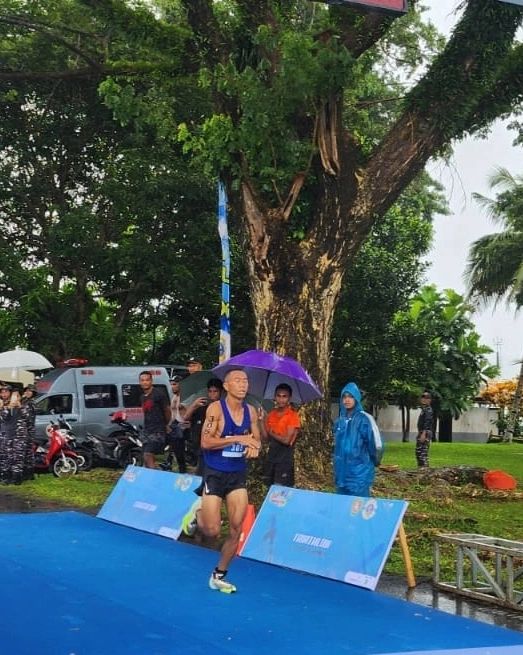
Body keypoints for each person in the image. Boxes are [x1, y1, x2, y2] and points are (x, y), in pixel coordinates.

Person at [181, 368, 261, 594]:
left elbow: (256, 439)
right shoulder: (216, 409)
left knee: (236, 528)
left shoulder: (251, 412)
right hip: (214, 473)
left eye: (245, 381)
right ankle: (197, 513)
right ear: (226, 386)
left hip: (237, 475)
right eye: (237, 380)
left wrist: (255, 447)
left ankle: (219, 574)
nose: (243, 384)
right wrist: (238, 438)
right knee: (212, 530)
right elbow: (206, 442)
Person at [333, 381, 383, 497]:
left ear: (356, 398)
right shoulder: (339, 421)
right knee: (342, 504)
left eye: (351, 396)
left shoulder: (365, 419)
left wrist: (375, 461)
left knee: (359, 505)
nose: (347, 400)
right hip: (342, 473)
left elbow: (377, 445)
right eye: (344, 396)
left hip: (359, 473)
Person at [262, 383, 301, 487]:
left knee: (280, 490)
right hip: (271, 457)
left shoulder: (293, 416)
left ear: (289, 398)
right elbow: (266, 439)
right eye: (278, 396)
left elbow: (287, 440)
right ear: (274, 397)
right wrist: (262, 421)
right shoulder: (271, 414)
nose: (281, 399)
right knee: (269, 487)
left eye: (284, 396)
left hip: (284, 460)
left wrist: (271, 432)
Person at [184, 378, 224, 474]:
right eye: (210, 391)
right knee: (201, 471)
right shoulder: (202, 407)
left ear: (221, 392)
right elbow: (186, 417)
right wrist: (194, 405)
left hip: (216, 444)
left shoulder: (223, 408)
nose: (212, 394)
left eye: (215, 391)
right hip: (200, 444)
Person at [139, 370, 171, 469]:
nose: (145, 382)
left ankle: (154, 475)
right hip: (147, 430)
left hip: (158, 430)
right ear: (140, 382)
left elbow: (167, 410)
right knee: (144, 456)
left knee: (148, 454)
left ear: (151, 381)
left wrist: (166, 424)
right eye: (142, 380)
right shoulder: (142, 397)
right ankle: (152, 473)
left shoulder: (158, 394)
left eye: (147, 380)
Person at [162, 375, 189, 473]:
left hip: (184, 426)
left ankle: (182, 468)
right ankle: (169, 462)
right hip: (176, 424)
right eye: (171, 384)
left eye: (175, 384)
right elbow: (173, 414)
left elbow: (190, 412)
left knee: (179, 449)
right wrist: (168, 425)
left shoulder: (186, 396)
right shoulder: (174, 397)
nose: (172, 387)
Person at [21, 384, 37, 480]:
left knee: (28, 452)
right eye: (26, 391)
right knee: (23, 451)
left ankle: (29, 473)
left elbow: (27, 417)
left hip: (29, 429)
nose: (28, 392)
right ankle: (25, 472)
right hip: (22, 429)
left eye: (30, 391)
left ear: (33, 393)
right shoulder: (23, 401)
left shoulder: (31, 403)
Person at [416, 391, 434, 468]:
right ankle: (421, 468)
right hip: (422, 432)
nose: (424, 399)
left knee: (422, 452)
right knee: (419, 452)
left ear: (429, 400)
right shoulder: (424, 409)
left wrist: (423, 433)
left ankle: (424, 469)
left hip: (425, 432)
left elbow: (427, 422)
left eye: (426, 398)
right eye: (422, 397)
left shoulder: (428, 410)